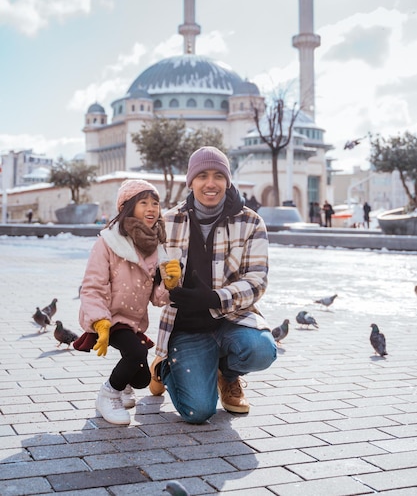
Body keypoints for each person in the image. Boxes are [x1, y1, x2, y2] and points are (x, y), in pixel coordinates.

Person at [149, 146, 277, 424]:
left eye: (218, 176)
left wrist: (215, 298)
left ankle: (227, 374)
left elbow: (258, 281)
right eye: (202, 175)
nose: (210, 183)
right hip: (186, 327)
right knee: (198, 412)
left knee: (263, 350)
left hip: (232, 320)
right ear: (191, 181)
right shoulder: (168, 222)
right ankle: (165, 366)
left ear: (227, 181)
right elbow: (152, 287)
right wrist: (164, 287)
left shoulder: (251, 222)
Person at [75, 179, 181, 426]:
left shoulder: (156, 247)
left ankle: (124, 387)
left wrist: (171, 283)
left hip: (133, 321)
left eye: (155, 203)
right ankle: (108, 393)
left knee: (143, 379)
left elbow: (157, 298)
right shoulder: (108, 242)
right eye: (143, 202)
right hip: (108, 317)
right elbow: (93, 286)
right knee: (136, 352)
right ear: (127, 207)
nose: (151, 208)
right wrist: (100, 321)